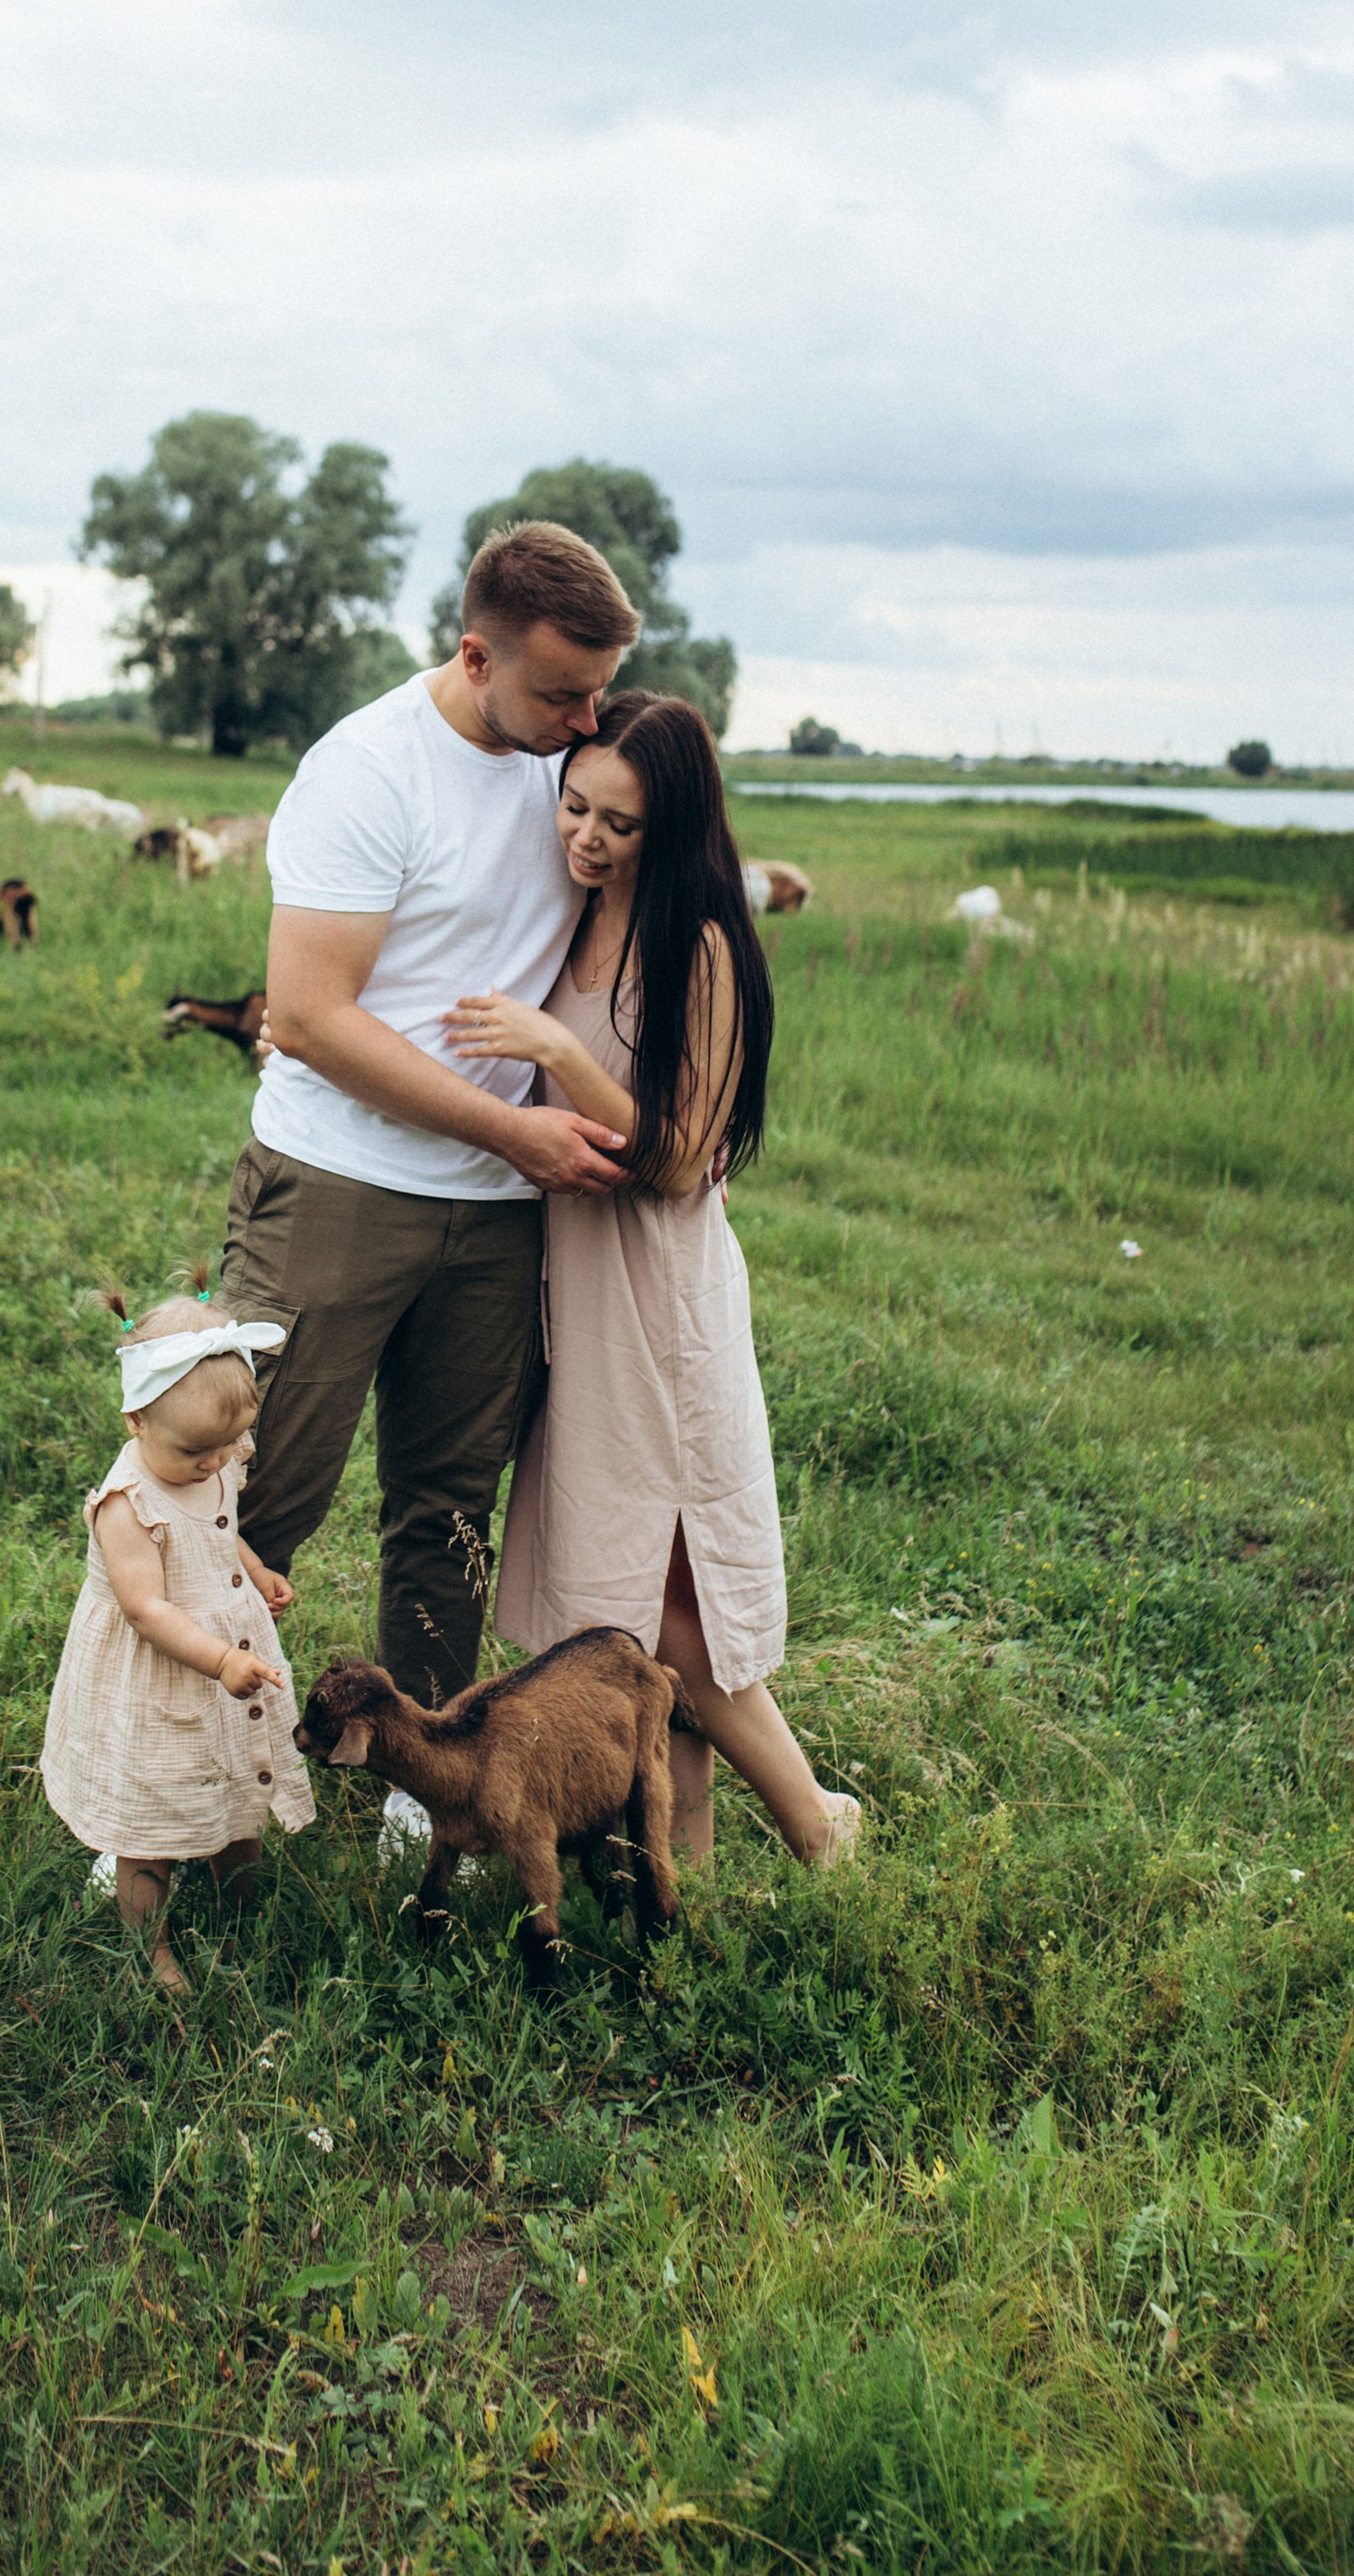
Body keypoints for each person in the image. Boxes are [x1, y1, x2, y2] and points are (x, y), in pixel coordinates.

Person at [220, 519, 639, 1729]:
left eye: (600, 692)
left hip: (502, 1218)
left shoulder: (578, 764)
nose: (584, 721)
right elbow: (305, 1013)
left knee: (450, 1503)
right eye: (562, 692)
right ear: (474, 656)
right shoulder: (368, 770)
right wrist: (512, 1133)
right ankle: (175, 1778)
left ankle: (434, 1770)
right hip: (339, 1185)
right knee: (253, 1484)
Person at [443, 692, 859, 1869]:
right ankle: (683, 1866)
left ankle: (820, 1824)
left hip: (658, 1295)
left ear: (668, 828)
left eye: (618, 825)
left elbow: (678, 1159)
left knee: (677, 1608)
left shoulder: (704, 945)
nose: (586, 837)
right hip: (574, 1287)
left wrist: (559, 1050)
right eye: (573, 806)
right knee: (626, 1596)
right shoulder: (562, 919)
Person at [39, 1296, 313, 1993]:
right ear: (136, 1419)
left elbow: (220, 1527)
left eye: (229, 1447)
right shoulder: (127, 1504)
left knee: (235, 1785)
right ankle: (150, 1945)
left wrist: (254, 1571)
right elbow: (146, 1609)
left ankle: (240, 1903)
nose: (215, 1464)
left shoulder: (212, 1459)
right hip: (158, 1676)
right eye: (196, 1451)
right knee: (151, 1825)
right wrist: (221, 1659)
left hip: (226, 1664)